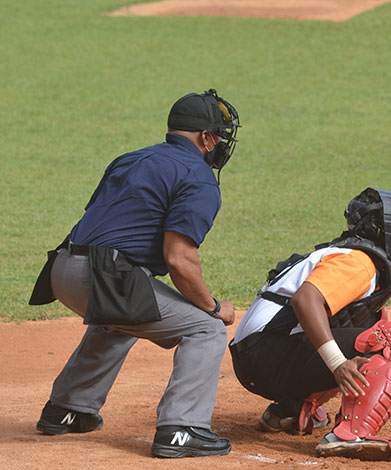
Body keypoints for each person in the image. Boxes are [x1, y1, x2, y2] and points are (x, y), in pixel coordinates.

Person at [28, 89, 241, 457]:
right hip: (104, 276)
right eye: (219, 135)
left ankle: (67, 409)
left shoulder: (130, 159)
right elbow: (179, 259)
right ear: (206, 138)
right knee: (204, 329)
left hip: (62, 268)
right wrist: (212, 306)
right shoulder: (198, 176)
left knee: (125, 315)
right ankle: (182, 428)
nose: (221, 143)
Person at [229, 187, 391, 462]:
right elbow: (305, 300)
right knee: (384, 339)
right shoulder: (357, 262)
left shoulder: (350, 256)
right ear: (384, 232)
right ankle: (350, 434)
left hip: (257, 356)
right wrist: (336, 363)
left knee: (371, 317)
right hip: (266, 356)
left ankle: (291, 409)